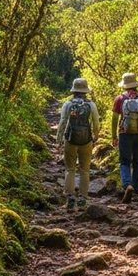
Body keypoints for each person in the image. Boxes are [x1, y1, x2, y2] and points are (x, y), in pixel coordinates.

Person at [111, 72, 138, 203]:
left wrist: (114, 135)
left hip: (125, 134)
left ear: (124, 86)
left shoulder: (119, 99)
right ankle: (135, 189)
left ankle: (127, 185)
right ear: (135, 84)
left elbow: (114, 119)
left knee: (125, 161)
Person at [57, 77, 100, 210]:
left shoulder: (67, 104)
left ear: (74, 90)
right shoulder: (91, 104)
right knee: (85, 170)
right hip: (86, 140)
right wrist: (95, 136)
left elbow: (63, 122)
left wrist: (59, 139)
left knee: (70, 169)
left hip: (70, 139)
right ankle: (82, 200)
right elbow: (96, 122)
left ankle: (69, 198)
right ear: (85, 90)